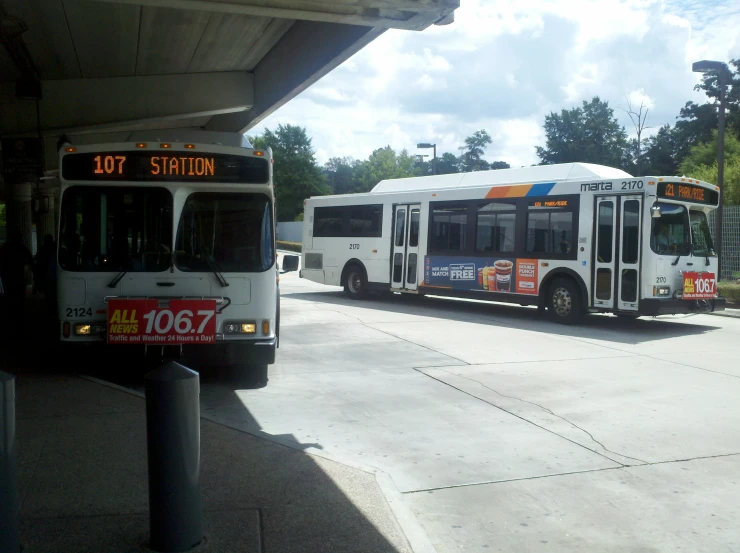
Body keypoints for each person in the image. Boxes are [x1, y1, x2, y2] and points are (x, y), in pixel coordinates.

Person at [0, 231, 35, 340]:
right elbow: (31, 262)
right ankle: (18, 329)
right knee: (19, 304)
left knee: (8, 304)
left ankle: (9, 328)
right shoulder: (22, 248)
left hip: (8, 280)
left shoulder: (4, 248)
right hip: (18, 281)